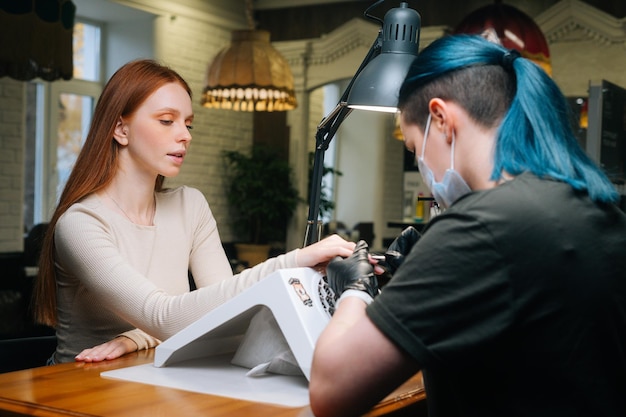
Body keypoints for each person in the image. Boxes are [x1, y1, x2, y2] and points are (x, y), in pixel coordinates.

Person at [309, 34, 626, 417]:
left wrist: (355, 290)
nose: (424, 172)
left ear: (440, 119)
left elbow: (330, 391)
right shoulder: (599, 208)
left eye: (414, 149)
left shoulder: (485, 225)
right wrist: (429, 266)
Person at [32, 59, 356, 365]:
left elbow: (229, 316)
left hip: (155, 380)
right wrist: (295, 260)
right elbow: (164, 316)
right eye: (166, 121)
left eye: (188, 123)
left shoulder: (190, 205)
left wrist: (138, 337)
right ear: (121, 130)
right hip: (78, 389)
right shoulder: (80, 224)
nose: (185, 135)